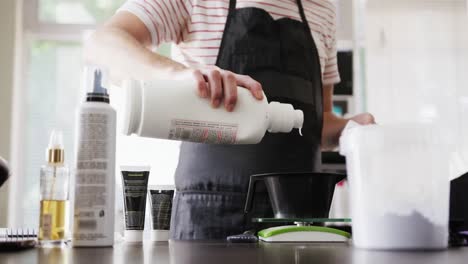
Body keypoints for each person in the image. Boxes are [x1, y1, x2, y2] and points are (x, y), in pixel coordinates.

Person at [86, 0, 375, 240]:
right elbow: (102, 44)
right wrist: (181, 78)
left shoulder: (322, 8)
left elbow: (314, 123)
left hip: (299, 222)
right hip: (206, 215)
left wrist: (351, 128)